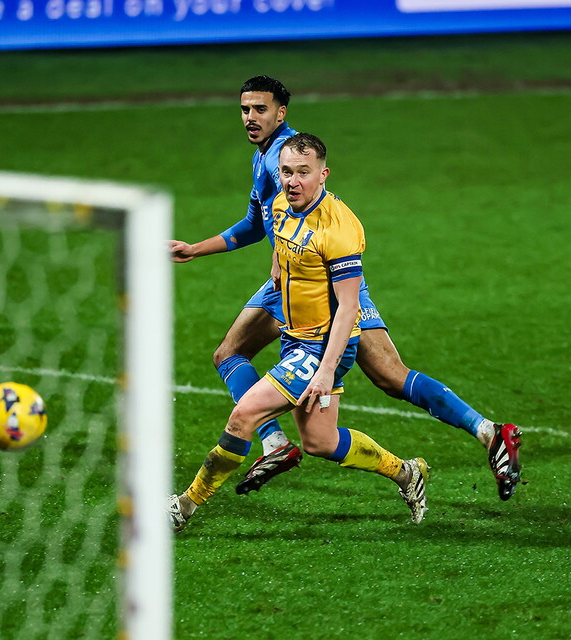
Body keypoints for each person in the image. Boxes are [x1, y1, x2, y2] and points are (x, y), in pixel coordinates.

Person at [169, 76, 522, 501]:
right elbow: (256, 226)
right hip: (291, 278)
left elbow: (303, 223)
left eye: (259, 109)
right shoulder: (267, 156)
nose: (250, 118)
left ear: (280, 113)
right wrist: (197, 248)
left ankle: (488, 433)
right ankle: (278, 444)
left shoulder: (283, 155)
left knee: (388, 376)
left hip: (326, 282)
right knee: (233, 355)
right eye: (245, 109)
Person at [169, 134, 430, 531]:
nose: (292, 181)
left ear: (323, 175)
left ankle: (183, 507)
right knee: (321, 442)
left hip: (323, 347)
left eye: (303, 174)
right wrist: (277, 265)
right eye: (286, 172)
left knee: (244, 416)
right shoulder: (280, 204)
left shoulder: (339, 230)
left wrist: (326, 371)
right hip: (296, 338)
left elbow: (348, 307)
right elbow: (279, 239)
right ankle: (407, 473)